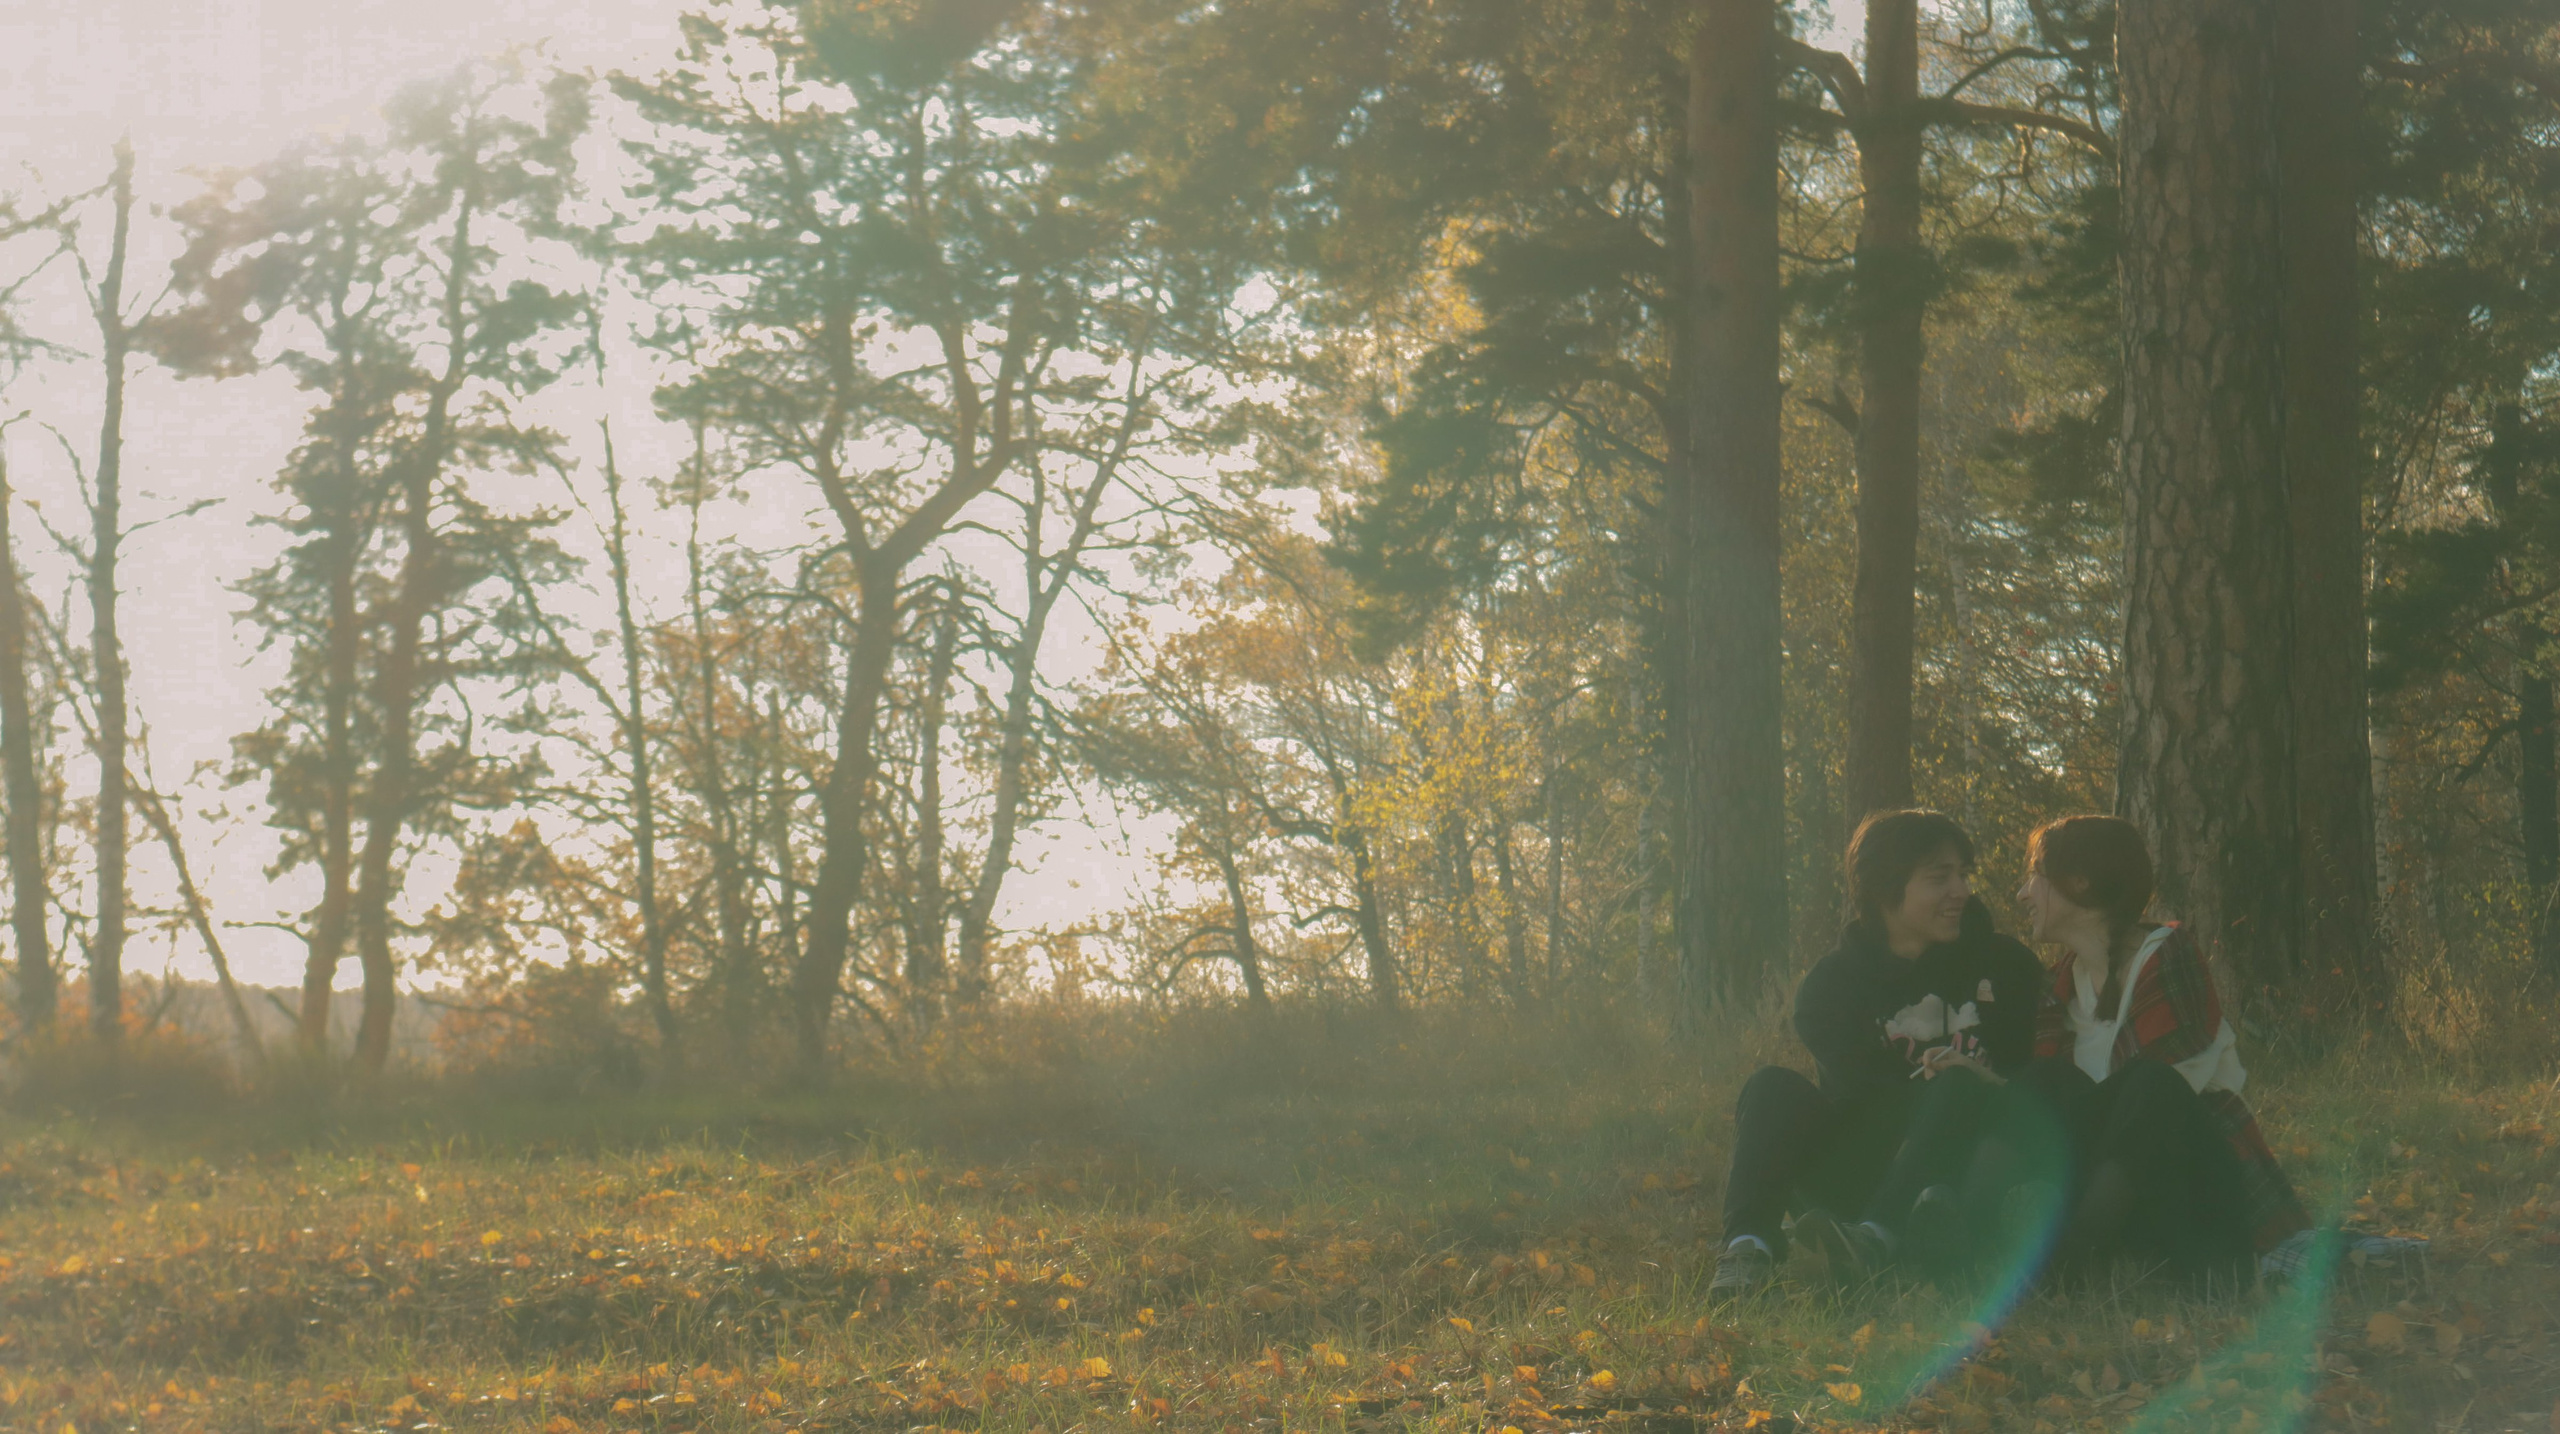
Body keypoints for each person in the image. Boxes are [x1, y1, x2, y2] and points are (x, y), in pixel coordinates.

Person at [1711, 810, 2047, 1297]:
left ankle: (1880, 1241)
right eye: (1940, 878)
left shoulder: (2007, 966)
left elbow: (2031, 1075)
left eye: (1963, 875)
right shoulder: (1832, 987)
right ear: (1886, 889)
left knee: (1959, 1082)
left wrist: (1971, 1078)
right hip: (1866, 1166)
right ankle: (1747, 1250)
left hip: (1961, 1176)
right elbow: (1861, 1097)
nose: (1962, 891)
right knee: (1769, 1086)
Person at [1975, 815, 2310, 1287]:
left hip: (2194, 1191)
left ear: (2078, 882)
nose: (2022, 895)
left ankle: (2075, 1254)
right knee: (2042, 1079)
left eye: (2034, 877)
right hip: (2119, 1195)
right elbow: (2067, 1112)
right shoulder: (2058, 989)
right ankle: (1965, 1239)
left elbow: (2163, 1103)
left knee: (2150, 1082)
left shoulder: (2167, 954)